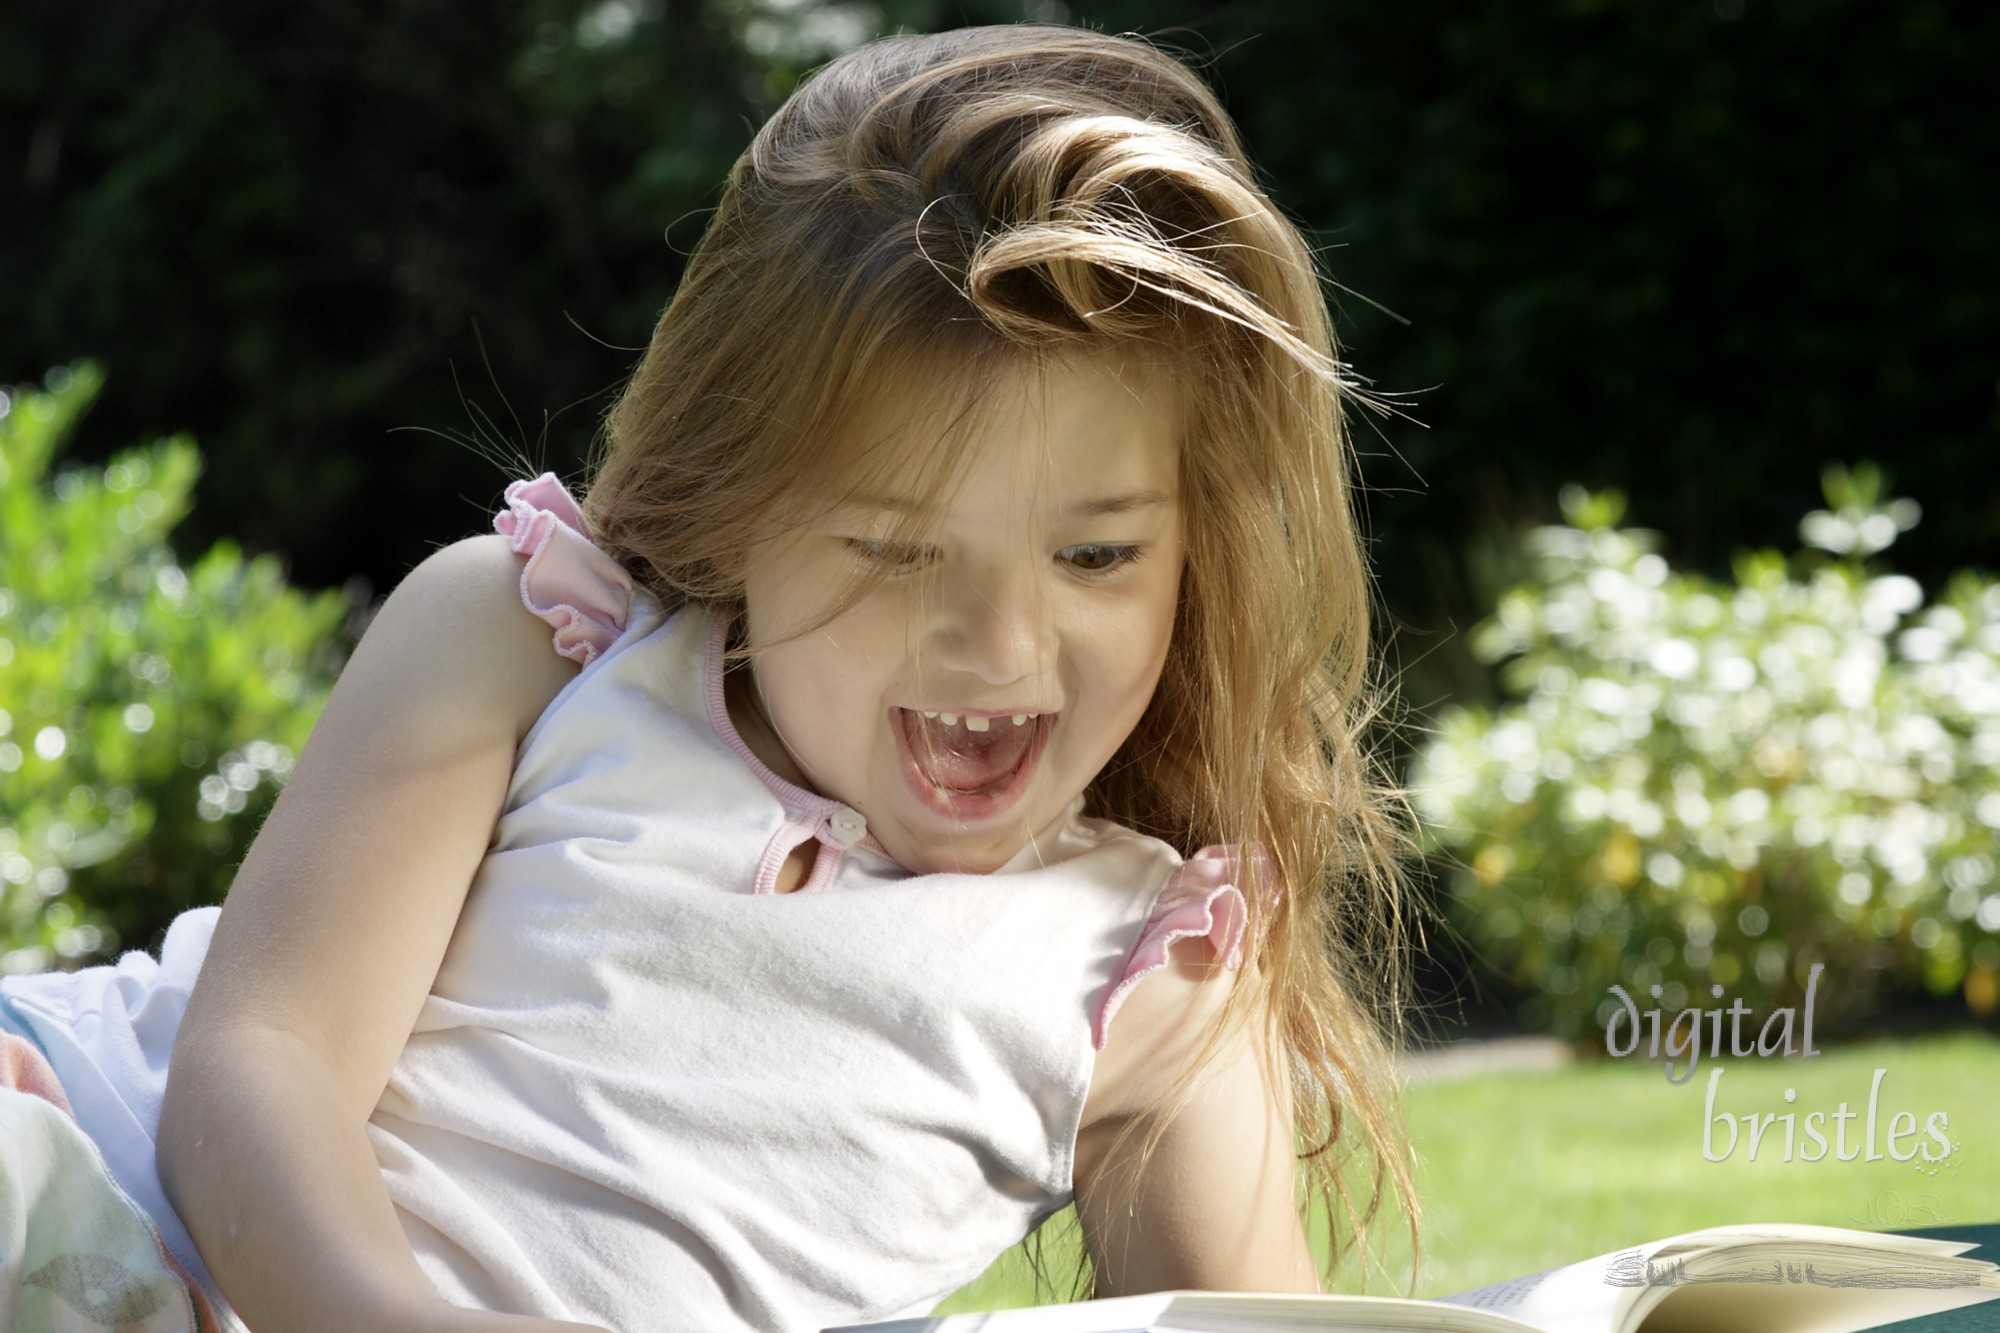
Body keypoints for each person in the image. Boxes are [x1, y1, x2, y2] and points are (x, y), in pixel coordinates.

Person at [0, 23, 1420, 1333]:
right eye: (901, 551)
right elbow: (262, 1065)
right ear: (747, 507)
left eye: (1097, 554)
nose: (1001, 642)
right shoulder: (538, 641)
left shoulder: (1145, 976)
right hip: (87, 1161)